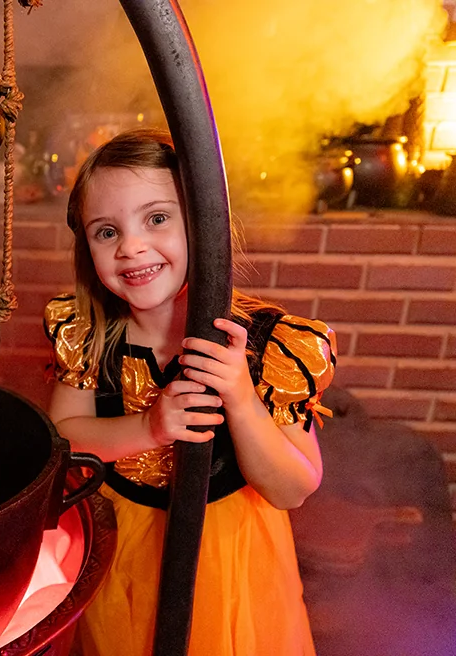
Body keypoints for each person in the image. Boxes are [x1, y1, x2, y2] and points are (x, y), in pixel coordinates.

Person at [44, 128, 336, 656]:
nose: (131, 247)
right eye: (106, 231)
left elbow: (292, 488)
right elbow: (64, 439)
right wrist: (148, 427)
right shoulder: (88, 335)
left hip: (227, 561)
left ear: (204, 225)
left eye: (157, 219)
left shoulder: (268, 346)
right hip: (118, 554)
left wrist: (240, 397)